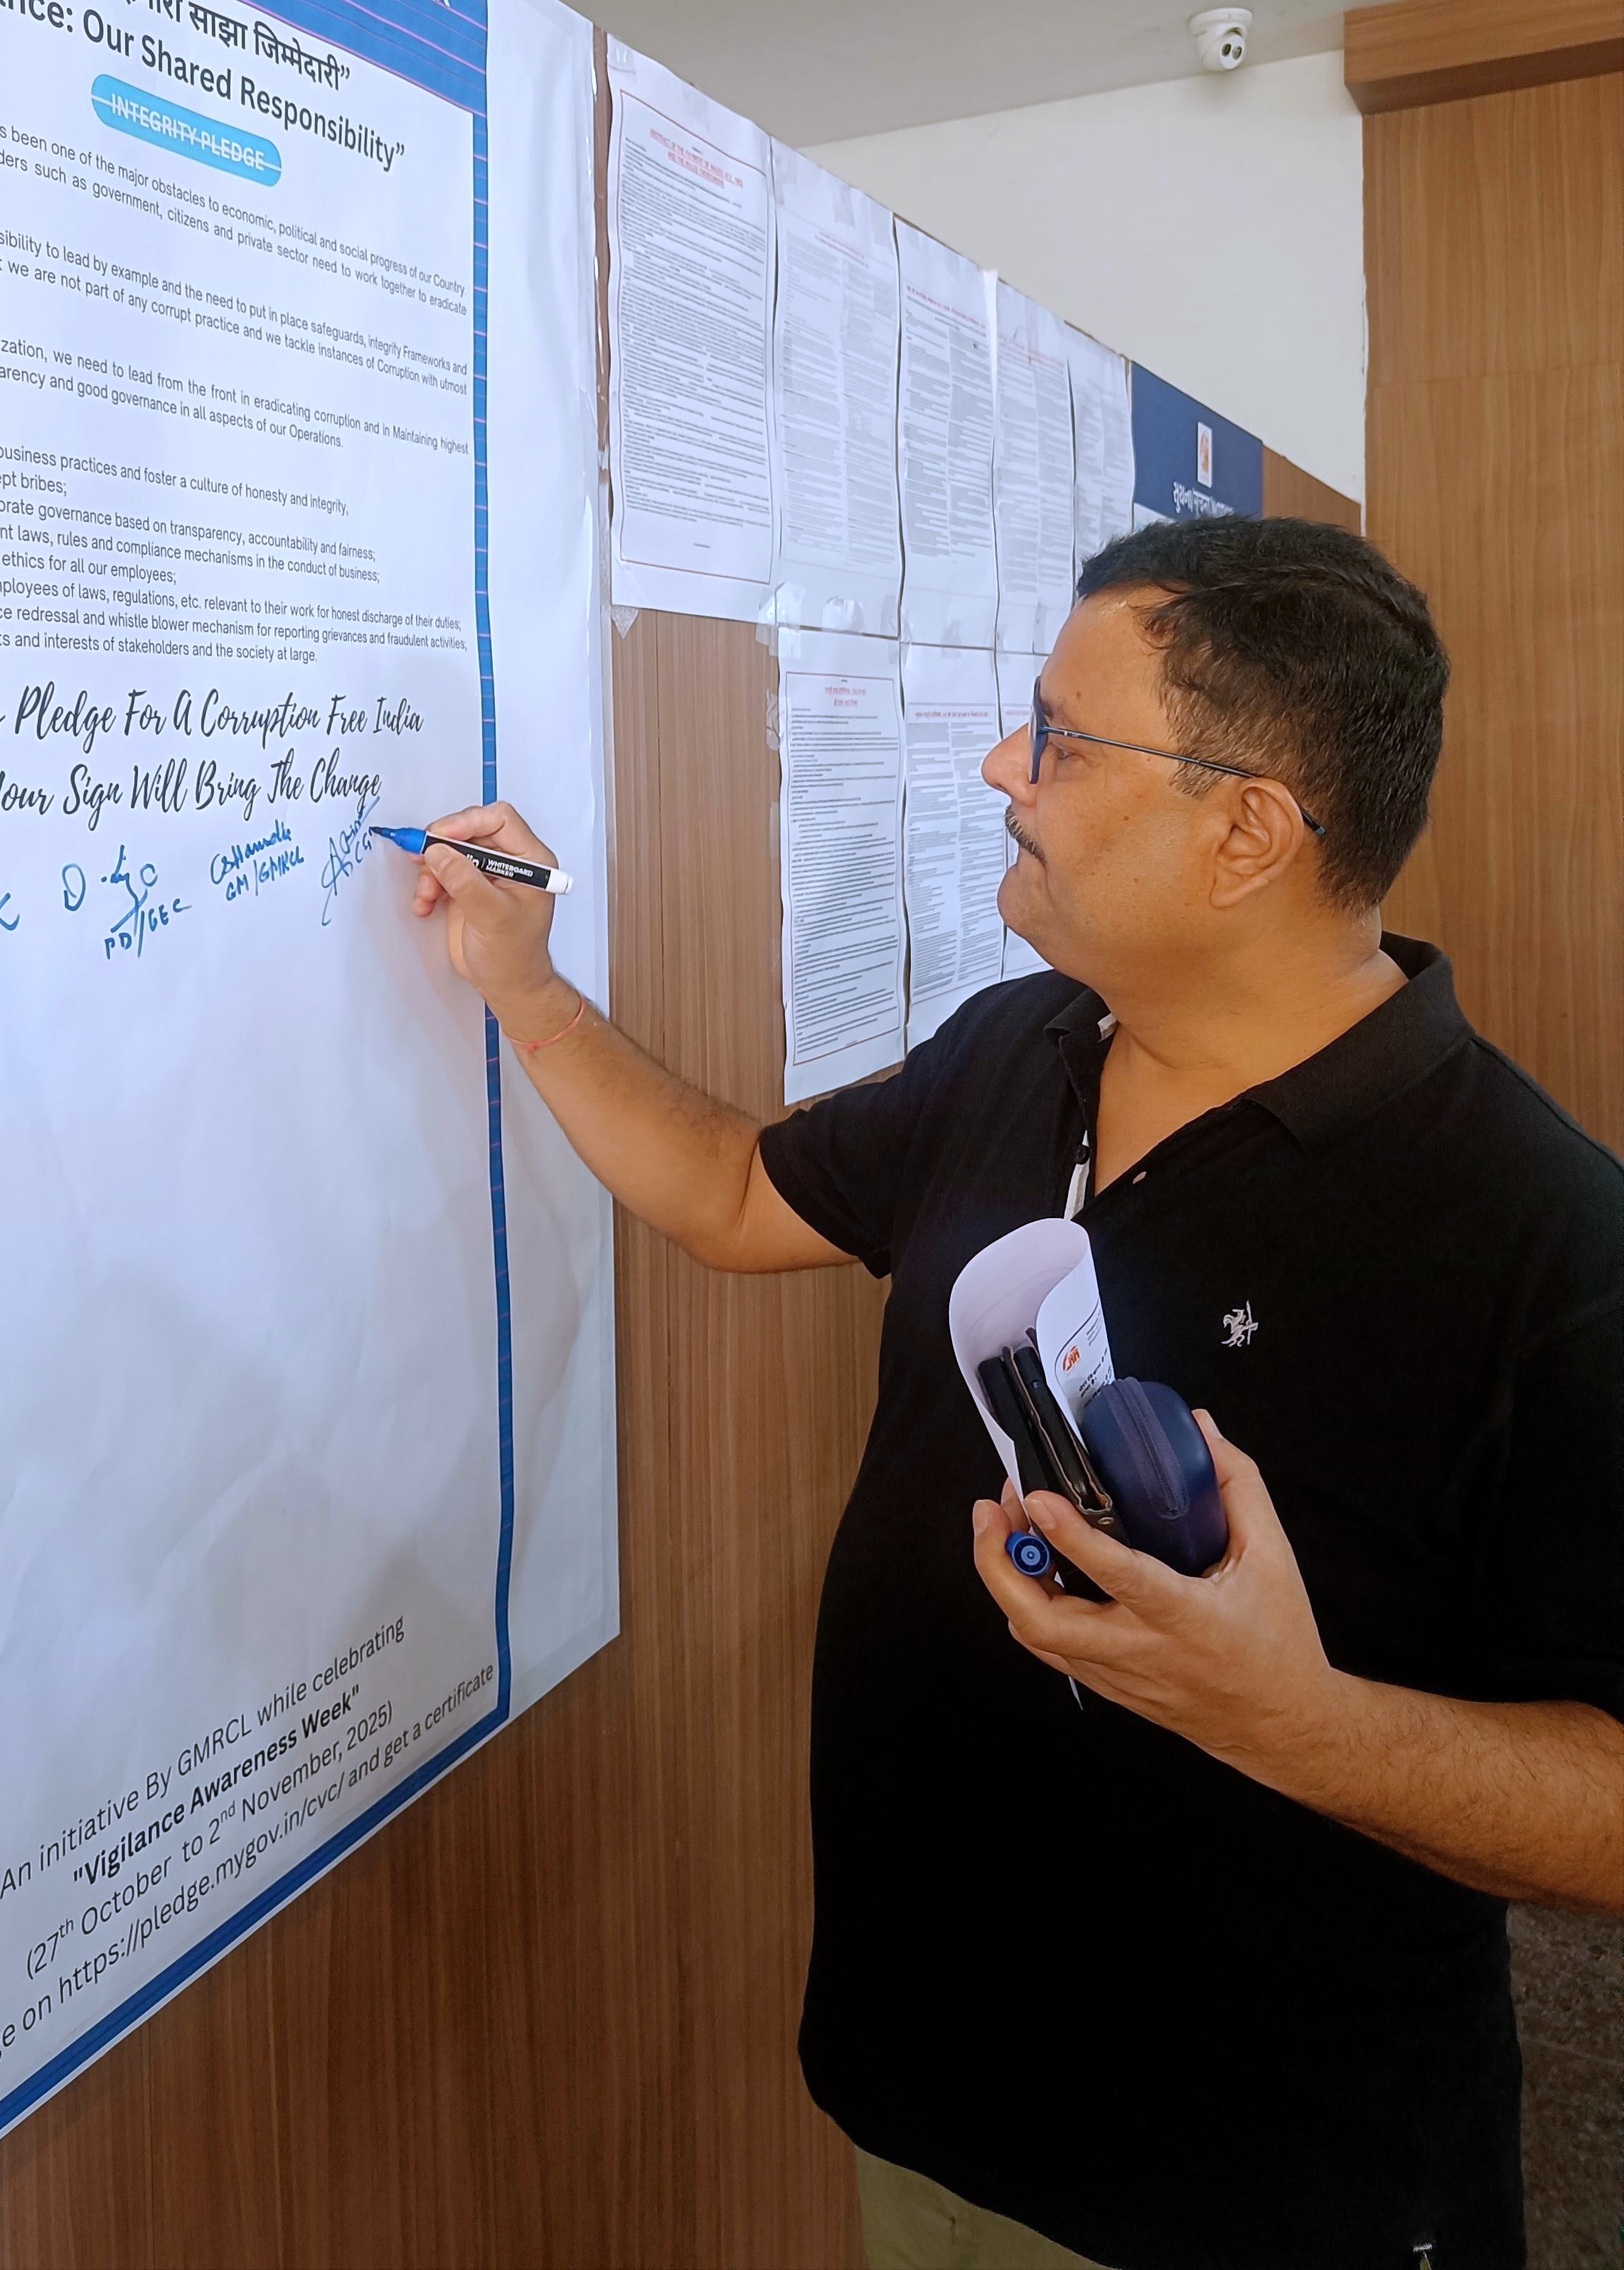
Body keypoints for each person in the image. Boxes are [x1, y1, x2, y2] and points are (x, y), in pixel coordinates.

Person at [407, 517, 1623, 2270]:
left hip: (1269, 2194)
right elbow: (737, 1191)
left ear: (1248, 831)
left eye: (1057, 735)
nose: (1001, 765)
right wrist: (524, 987)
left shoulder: (1543, 1240)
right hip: (934, 2107)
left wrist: (1297, 1720)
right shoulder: (1023, 1041)